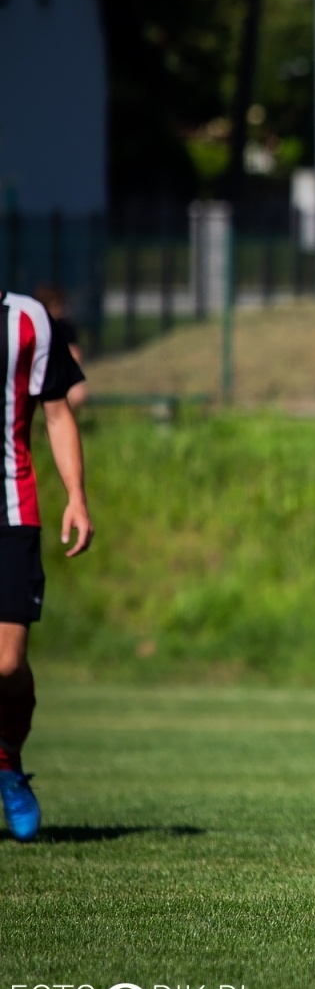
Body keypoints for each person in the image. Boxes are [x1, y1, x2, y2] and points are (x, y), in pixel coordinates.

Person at [1, 290, 93, 842]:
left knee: (7, 665)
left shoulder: (28, 319)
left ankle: (7, 758)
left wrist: (76, 495)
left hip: (11, 510)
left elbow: (58, 414)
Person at [32, 285, 87, 413]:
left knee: (77, 395)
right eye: (57, 305)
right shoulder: (31, 325)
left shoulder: (65, 328)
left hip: (58, 371)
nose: (62, 309)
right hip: (35, 371)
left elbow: (75, 353)